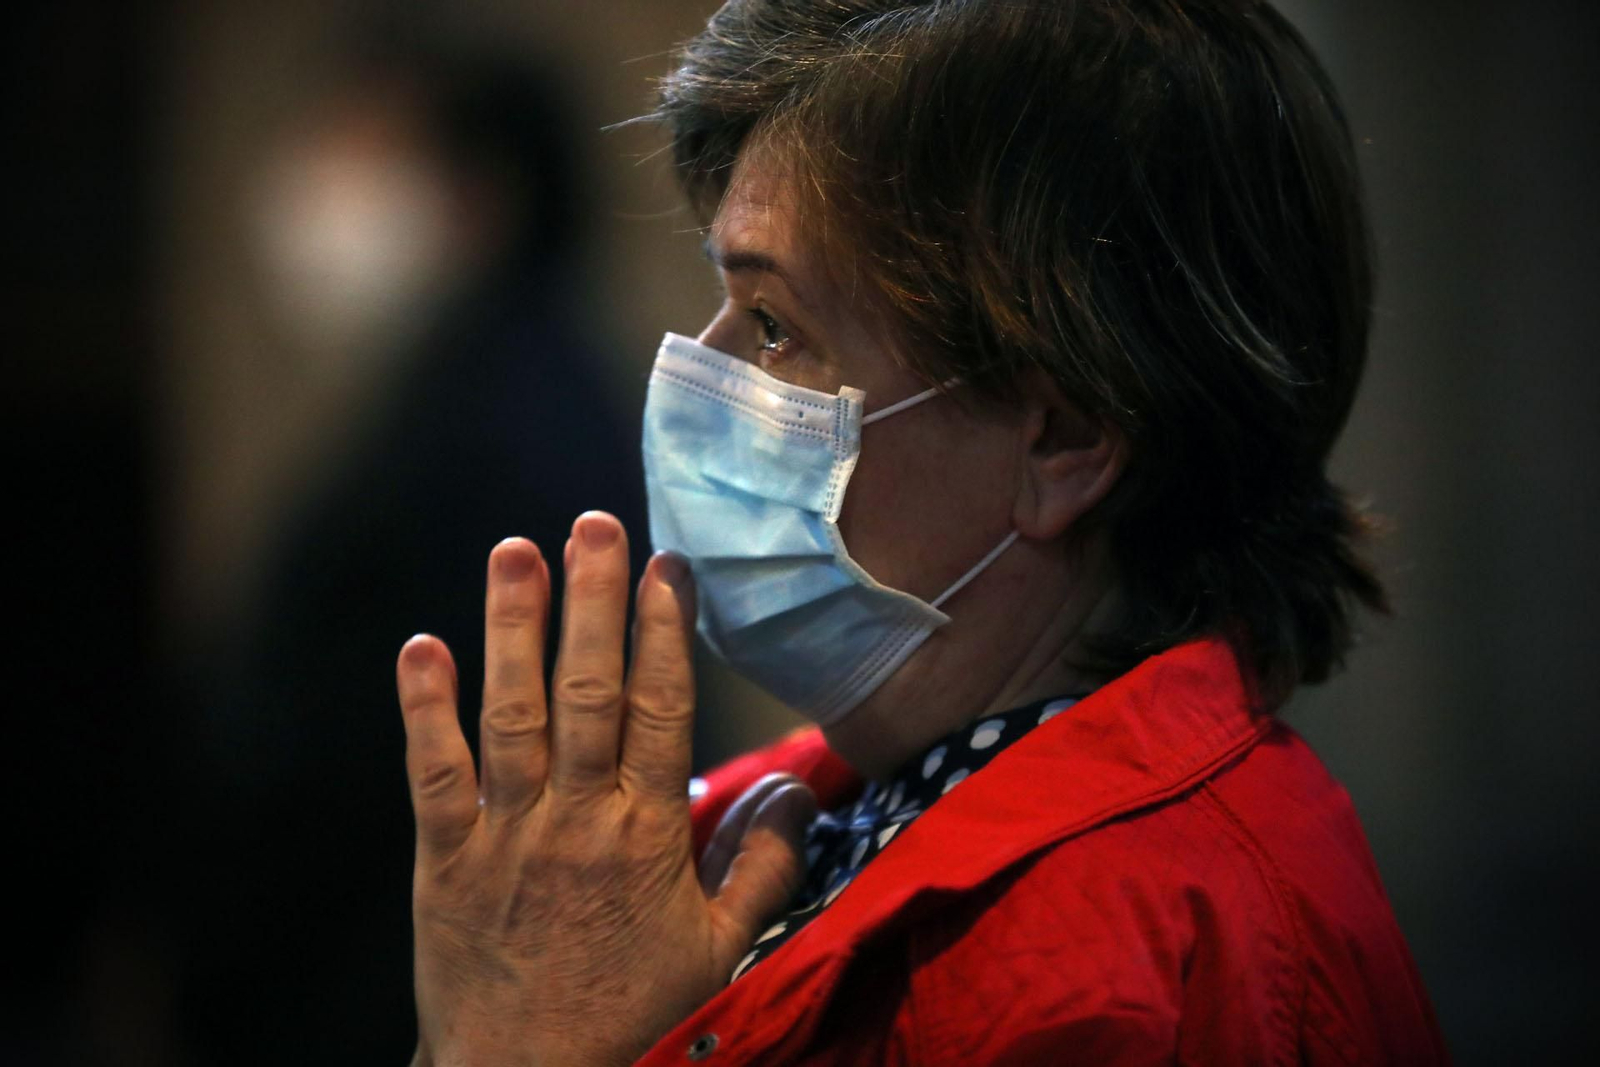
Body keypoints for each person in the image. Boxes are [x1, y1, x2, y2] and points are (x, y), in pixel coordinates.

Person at [394, 1, 1449, 1063]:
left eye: (771, 325)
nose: (692, 373)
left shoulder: (1111, 980)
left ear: (1063, 441)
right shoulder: (859, 797)